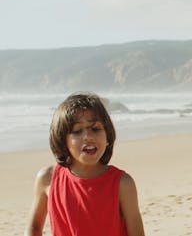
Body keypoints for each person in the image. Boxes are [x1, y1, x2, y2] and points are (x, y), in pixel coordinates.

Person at [25, 92, 145, 236]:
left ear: (108, 135)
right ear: (63, 141)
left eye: (95, 129)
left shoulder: (123, 184)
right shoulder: (47, 179)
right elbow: (33, 228)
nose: (88, 137)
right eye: (77, 131)